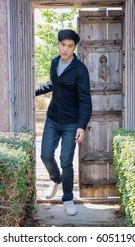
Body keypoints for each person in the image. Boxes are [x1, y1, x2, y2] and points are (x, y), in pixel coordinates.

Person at [35, 29, 92, 216]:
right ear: (58, 44)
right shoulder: (54, 62)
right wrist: (34, 90)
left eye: (69, 46)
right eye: (62, 45)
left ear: (74, 47)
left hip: (71, 122)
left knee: (66, 161)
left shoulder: (80, 70)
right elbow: (53, 83)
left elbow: (85, 100)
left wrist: (81, 126)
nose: (65, 49)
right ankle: (56, 179)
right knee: (45, 155)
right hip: (53, 118)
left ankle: (68, 198)